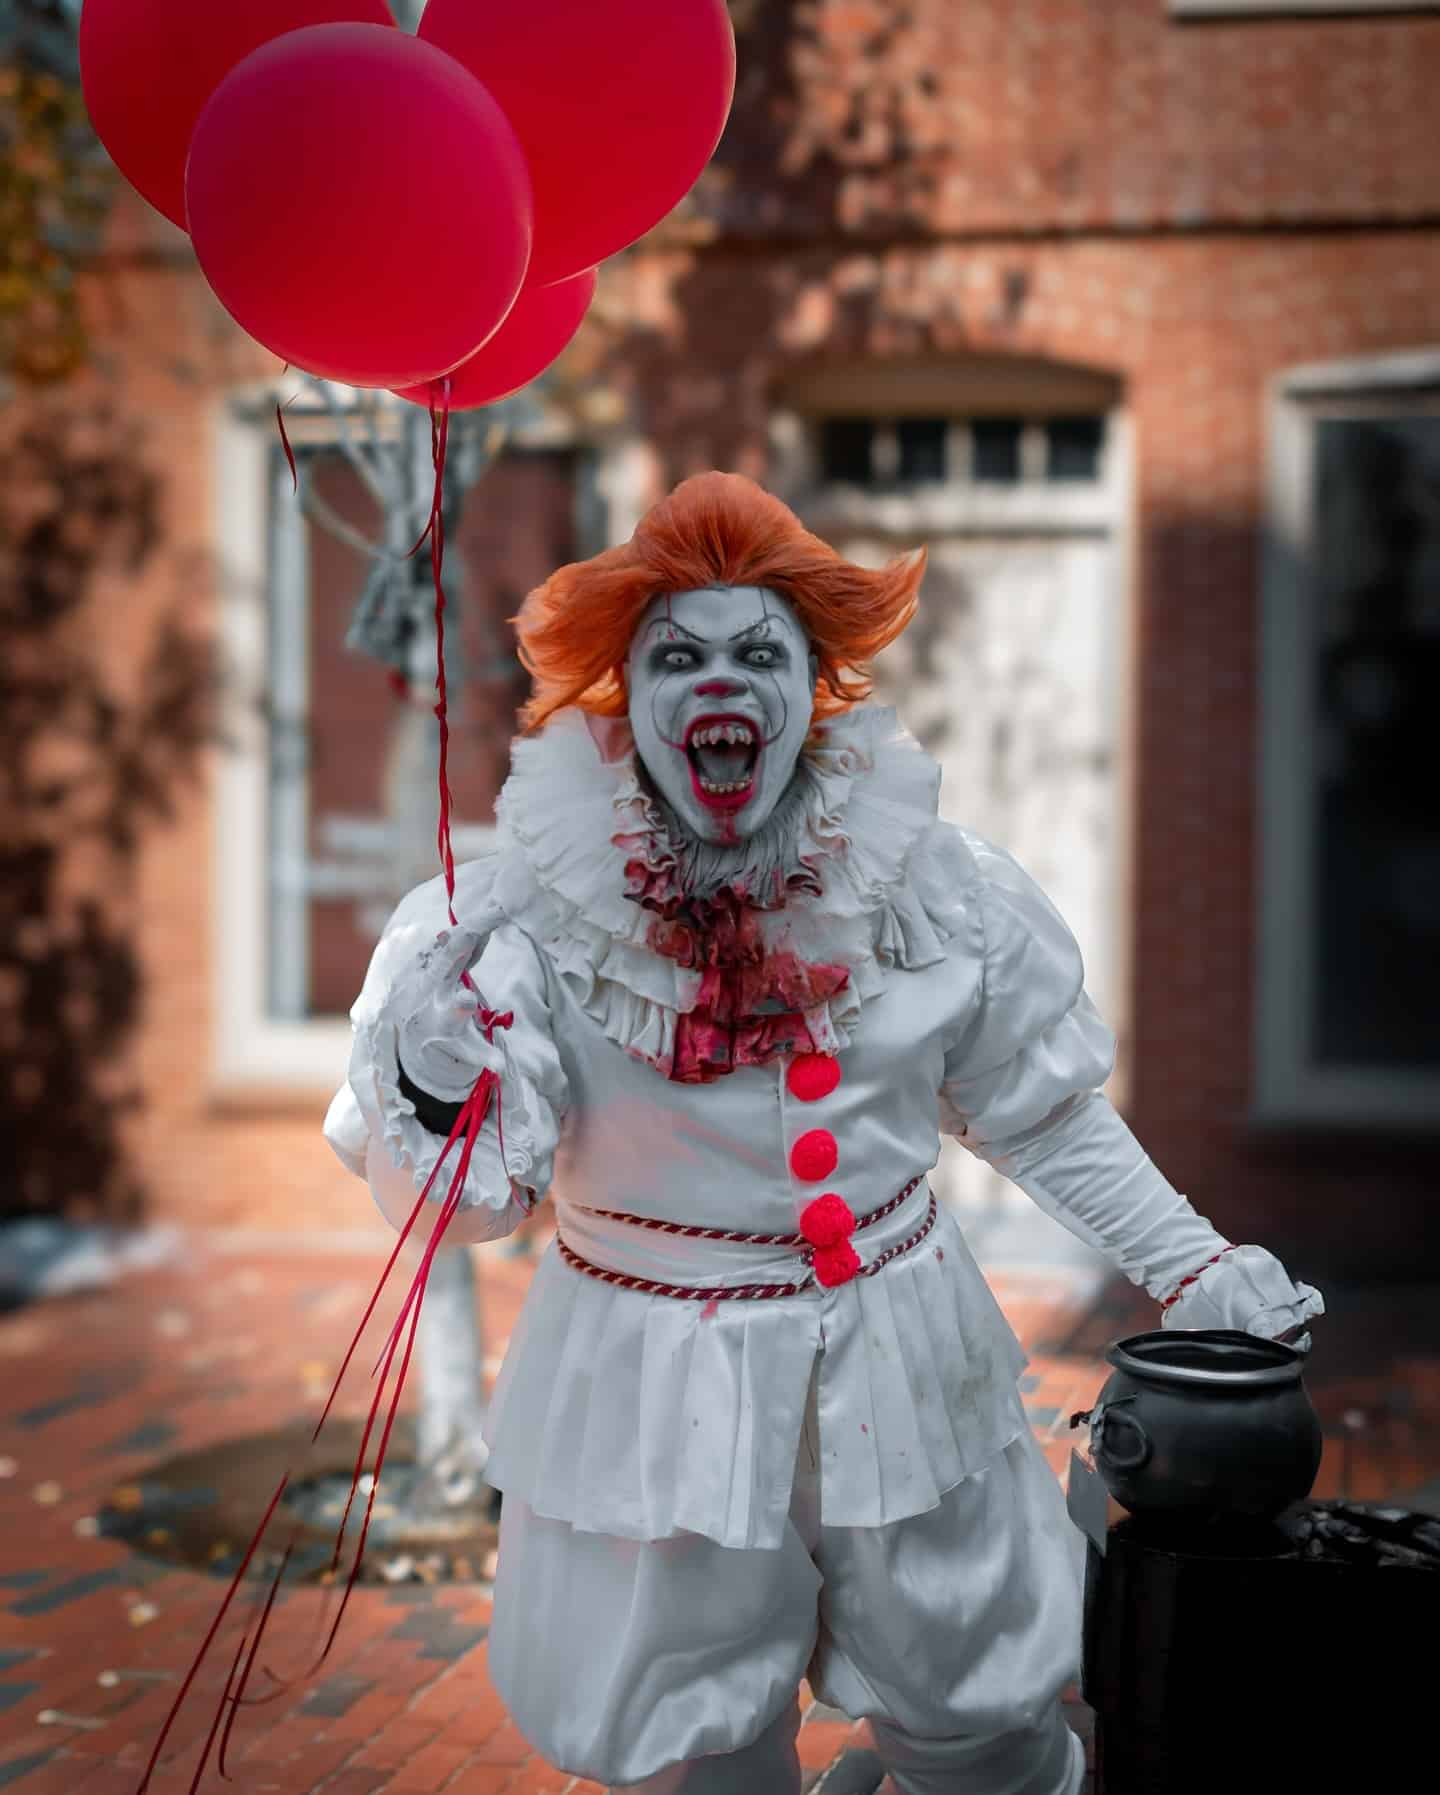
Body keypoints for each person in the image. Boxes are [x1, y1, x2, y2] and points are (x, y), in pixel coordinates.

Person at [324, 472, 1323, 1795]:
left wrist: (1195, 1265)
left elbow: (1038, 1111)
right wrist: (441, 1072)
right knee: (708, 1756)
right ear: (628, 692)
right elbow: (458, 1209)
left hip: (901, 1355)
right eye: (678, 655)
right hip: (648, 1385)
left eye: (759, 651)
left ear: (812, 684)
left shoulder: (928, 889)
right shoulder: (520, 917)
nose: (718, 681)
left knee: (984, 1725)